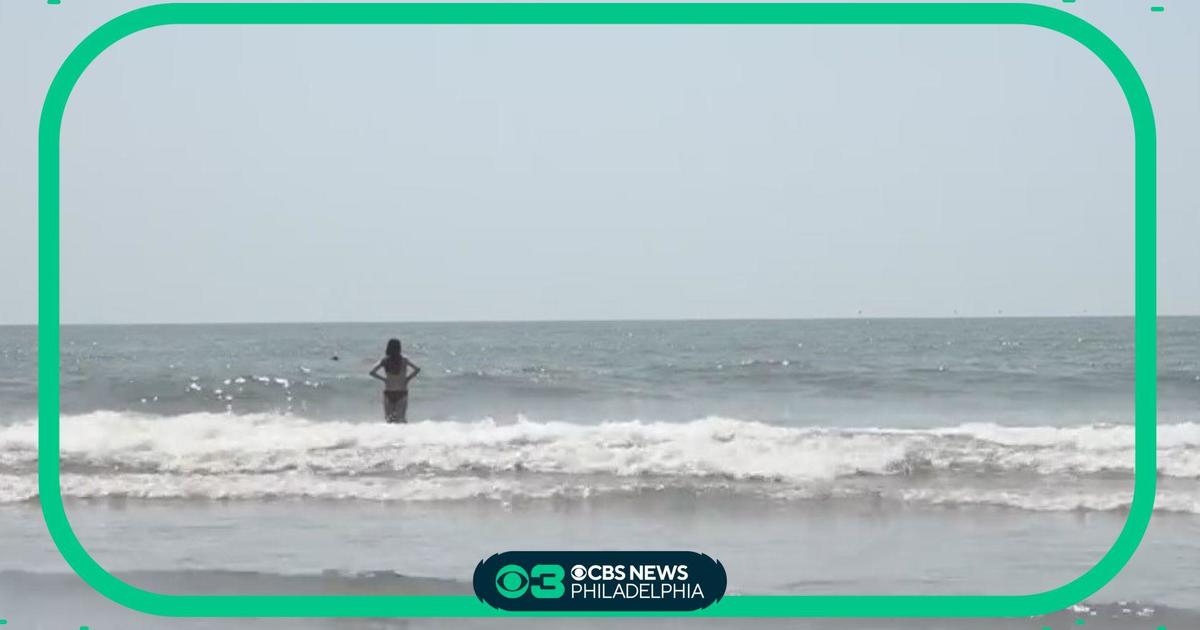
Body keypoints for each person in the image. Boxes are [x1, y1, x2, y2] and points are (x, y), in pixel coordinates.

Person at [369, 338, 421, 423]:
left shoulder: (385, 360)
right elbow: (417, 369)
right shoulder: (404, 360)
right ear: (399, 348)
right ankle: (403, 435)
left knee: (389, 419)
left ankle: (391, 435)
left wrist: (384, 379)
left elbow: (372, 372)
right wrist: (408, 379)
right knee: (401, 419)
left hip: (389, 391)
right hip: (401, 391)